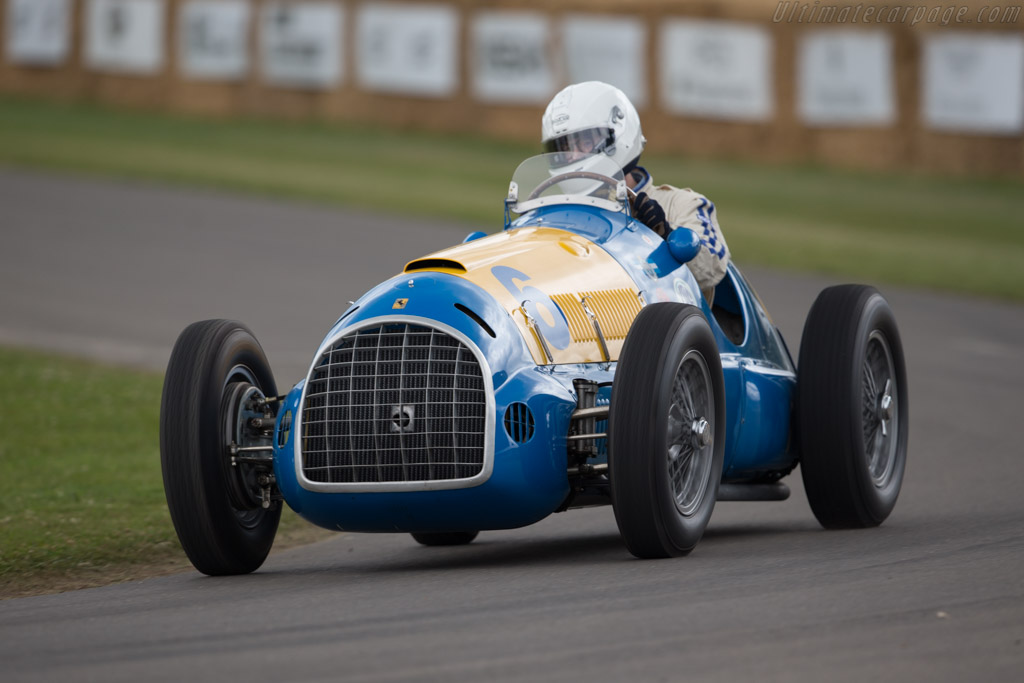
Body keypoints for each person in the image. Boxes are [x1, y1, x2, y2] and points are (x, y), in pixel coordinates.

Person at [541, 81, 730, 302]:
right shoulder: (558, 216)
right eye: (563, 148)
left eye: (582, 142)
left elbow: (712, 268)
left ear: (617, 135)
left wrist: (664, 236)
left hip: (669, 328)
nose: (571, 157)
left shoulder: (682, 203)